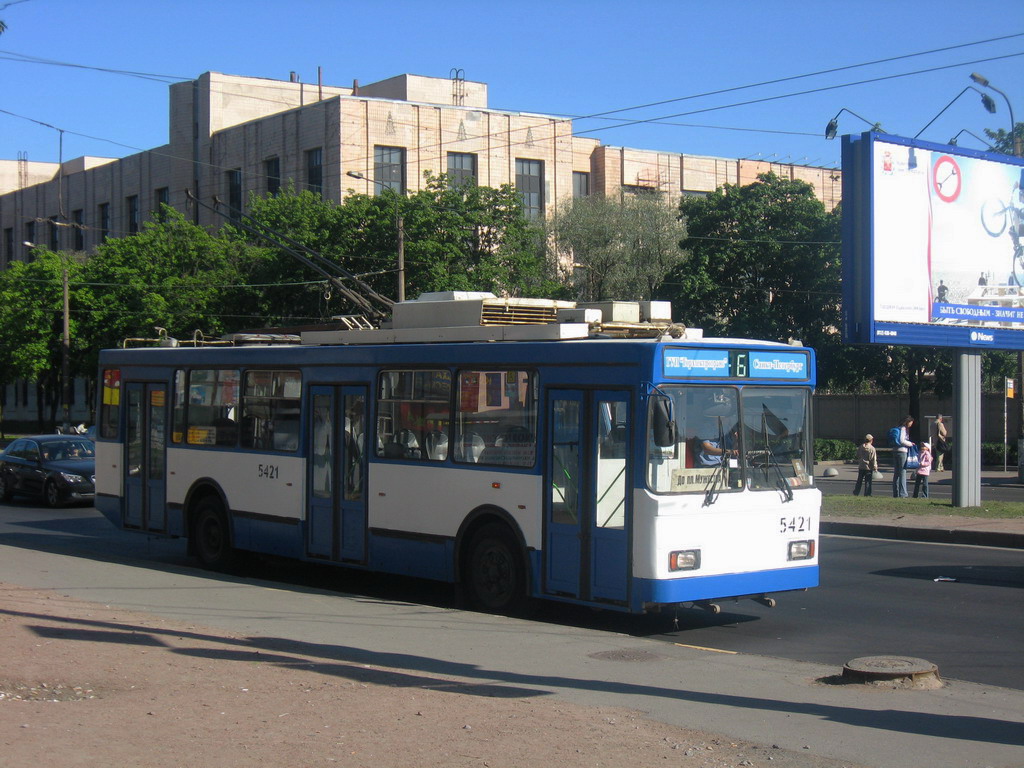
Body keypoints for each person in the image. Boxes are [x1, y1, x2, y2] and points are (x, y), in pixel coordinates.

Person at [891, 415, 915, 498]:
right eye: (911, 422)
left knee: (896, 473)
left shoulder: (897, 428)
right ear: (908, 422)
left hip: (895, 450)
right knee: (903, 472)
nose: (911, 424)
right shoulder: (903, 429)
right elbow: (902, 441)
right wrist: (910, 444)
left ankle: (895, 493)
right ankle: (903, 493)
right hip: (902, 451)